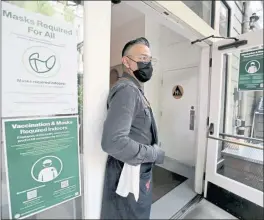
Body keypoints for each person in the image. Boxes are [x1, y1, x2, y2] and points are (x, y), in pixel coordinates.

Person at [100, 37, 165, 219]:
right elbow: (113, 142)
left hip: (137, 171)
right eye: (143, 58)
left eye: (149, 59)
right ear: (126, 61)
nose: (148, 64)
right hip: (127, 172)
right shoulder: (127, 90)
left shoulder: (136, 90)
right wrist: (154, 153)